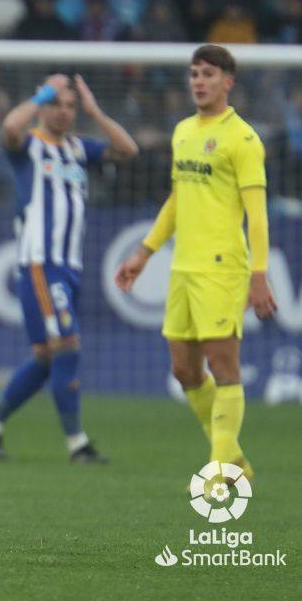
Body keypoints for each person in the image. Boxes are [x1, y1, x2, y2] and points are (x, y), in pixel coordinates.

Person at [115, 45, 276, 480]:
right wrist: (144, 252)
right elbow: (177, 199)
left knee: (224, 367)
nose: (198, 81)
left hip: (223, 267)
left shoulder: (242, 139)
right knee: (184, 370)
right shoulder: (184, 131)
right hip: (183, 267)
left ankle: (220, 466)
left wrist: (258, 276)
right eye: (193, 74)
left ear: (228, 81)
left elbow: (257, 216)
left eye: (207, 74)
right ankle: (234, 455)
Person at [0, 74, 139, 462]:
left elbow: (128, 150)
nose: (63, 112)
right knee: (68, 346)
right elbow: (10, 126)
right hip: (40, 263)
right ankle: (77, 444)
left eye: (69, 106)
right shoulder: (29, 145)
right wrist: (42, 91)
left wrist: (95, 111)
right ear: (42, 106)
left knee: (48, 356)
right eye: (55, 104)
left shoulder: (80, 149)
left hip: (70, 267)